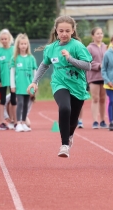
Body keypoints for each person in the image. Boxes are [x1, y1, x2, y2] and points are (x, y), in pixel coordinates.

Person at [27, 16, 92, 158]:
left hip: (78, 85)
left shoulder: (77, 46)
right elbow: (44, 64)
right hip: (59, 83)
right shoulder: (51, 48)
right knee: (64, 108)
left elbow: (88, 66)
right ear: (56, 30)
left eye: (67, 31)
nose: (64, 34)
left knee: (73, 119)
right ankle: (64, 145)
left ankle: (69, 135)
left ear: (73, 31)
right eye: (61, 30)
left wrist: (70, 59)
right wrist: (34, 81)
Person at [10, 33, 37, 132]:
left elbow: (35, 73)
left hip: (29, 86)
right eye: (21, 44)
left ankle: (24, 122)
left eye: (25, 44)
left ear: (27, 45)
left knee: (26, 104)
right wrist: (12, 85)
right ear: (18, 45)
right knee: (20, 103)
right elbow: (12, 73)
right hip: (19, 86)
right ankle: (18, 123)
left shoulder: (31, 58)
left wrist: (35, 85)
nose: (23, 46)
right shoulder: (15, 58)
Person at [86, 27, 108, 129]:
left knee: (103, 99)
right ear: (93, 36)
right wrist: (99, 65)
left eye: (101, 33)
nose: (100, 35)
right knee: (95, 98)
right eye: (97, 33)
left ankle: (103, 120)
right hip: (93, 77)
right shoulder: (89, 48)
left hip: (104, 77)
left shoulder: (106, 47)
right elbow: (88, 62)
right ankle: (95, 121)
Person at [0, 29, 15, 130]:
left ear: (9, 39)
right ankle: (2, 121)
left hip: (13, 80)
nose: (4, 40)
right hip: (3, 80)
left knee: (13, 100)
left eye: (5, 39)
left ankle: (14, 121)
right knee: (2, 100)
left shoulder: (14, 49)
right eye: (2, 39)